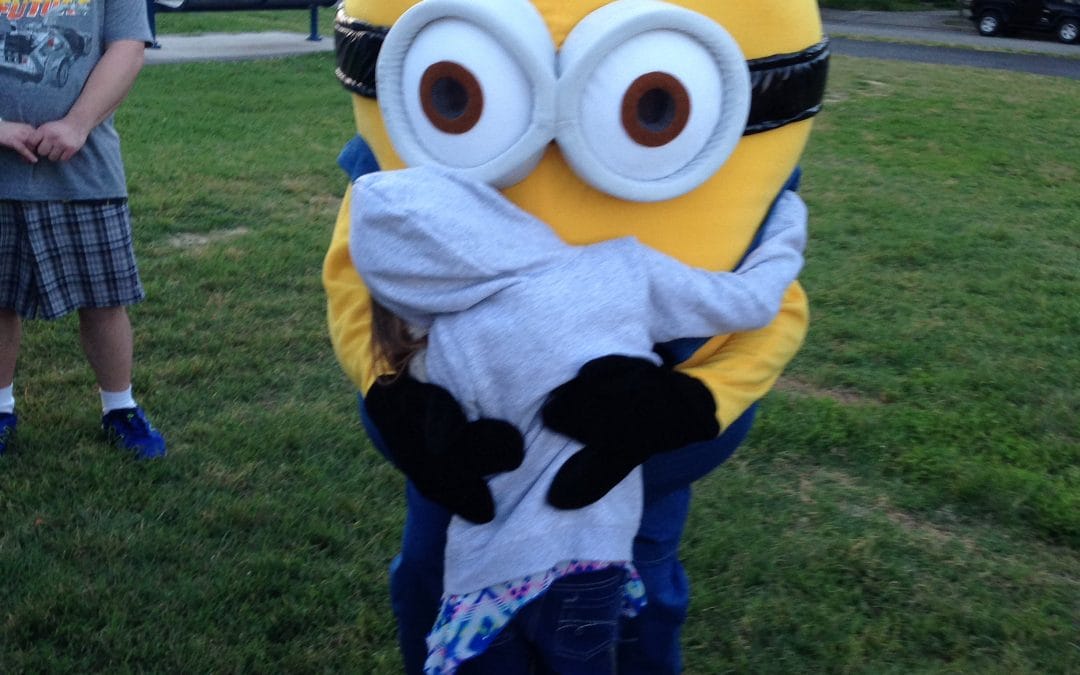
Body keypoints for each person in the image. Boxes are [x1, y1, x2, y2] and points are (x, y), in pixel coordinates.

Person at [325, 2, 827, 672]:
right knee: (432, 576)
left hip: (628, 464)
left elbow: (769, 305)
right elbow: (360, 265)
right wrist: (391, 390)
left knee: (637, 600)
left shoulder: (637, 267)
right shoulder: (399, 197)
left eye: (656, 105)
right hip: (468, 443)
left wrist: (689, 402)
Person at [350, 165, 808, 673]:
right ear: (493, 213)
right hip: (589, 554)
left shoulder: (440, 350)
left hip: (486, 577)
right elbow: (752, 301)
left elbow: (444, 431)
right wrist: (784, 217)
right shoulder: (620, 271)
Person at [0, 0, 165, 459]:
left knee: (105, 299)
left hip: (86, 168)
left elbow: (127, 48)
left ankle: (120, 407)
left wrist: (77, 125)